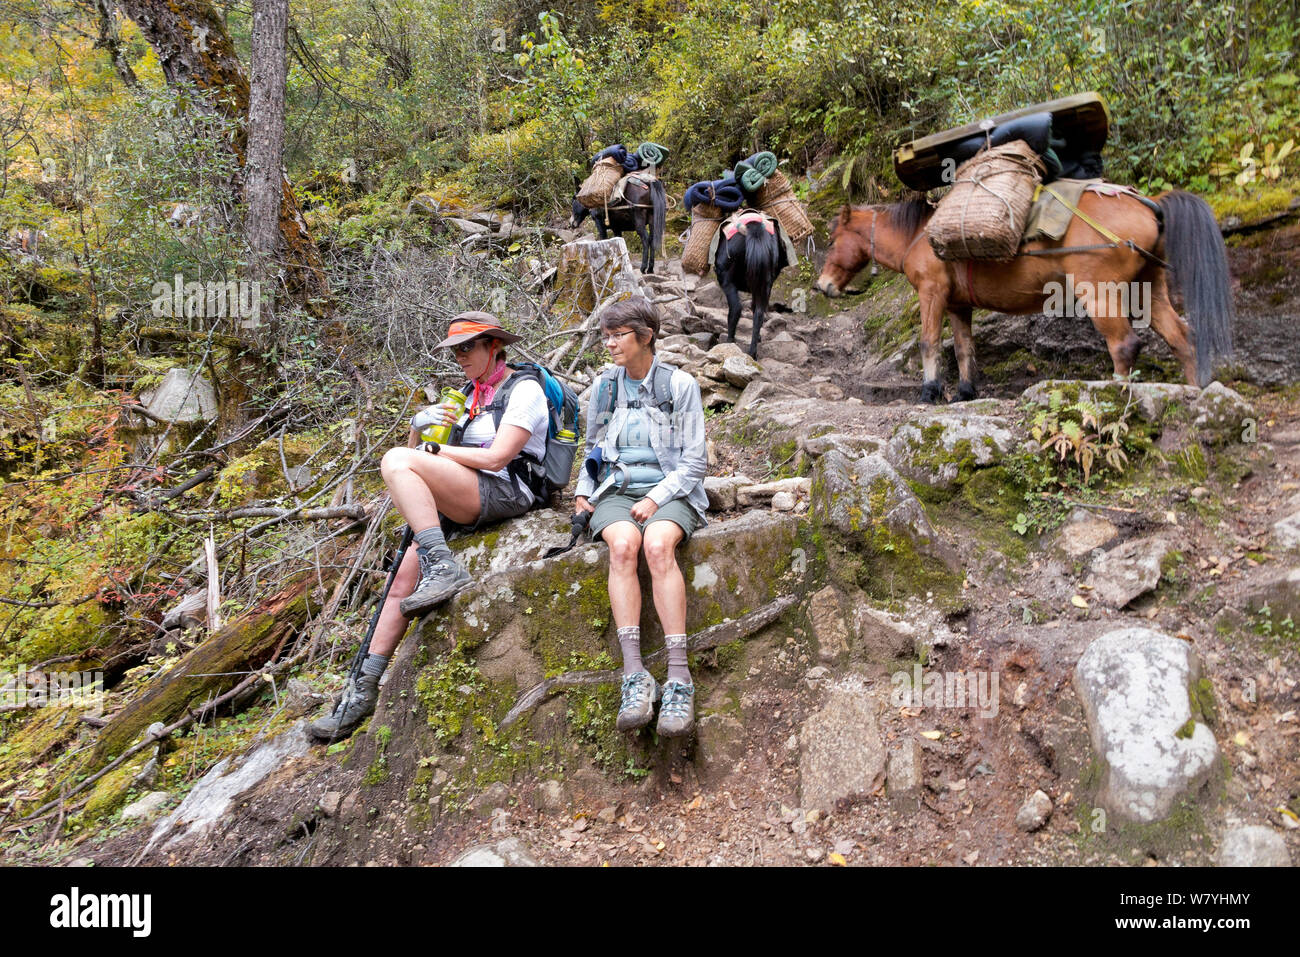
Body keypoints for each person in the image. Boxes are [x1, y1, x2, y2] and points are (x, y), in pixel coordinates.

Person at [309, 312, 551, 740]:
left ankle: (443, 564)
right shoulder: (467, 394)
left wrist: (432, 449)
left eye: (467, 347)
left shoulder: (524, 389)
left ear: (494, 345)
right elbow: (414, 461)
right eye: (455, 350)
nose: (459, 357)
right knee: (402, 577)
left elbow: (497, 458)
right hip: (465, 492)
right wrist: (417, 428)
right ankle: (362, 692)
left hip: (509, 490)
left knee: (394, 462)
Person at [575, 297, 708, 737]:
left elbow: (693, 463)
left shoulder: (679, 386)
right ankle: (634, 674)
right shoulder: (605, 387)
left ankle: (679, 676)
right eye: (606, 336)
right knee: (623, 545)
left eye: (618, 335)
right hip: (615, 488)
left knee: (656, 544)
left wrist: (656, 498)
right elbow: (593, 446)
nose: (609, 344)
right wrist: (583, 491)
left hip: (671, 488)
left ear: (645, 336)